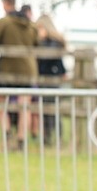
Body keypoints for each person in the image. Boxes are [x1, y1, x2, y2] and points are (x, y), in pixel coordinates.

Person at [0, 0, 39, 147]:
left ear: (5, 4)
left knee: (0, 101)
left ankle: (7, 132)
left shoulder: (4, 22)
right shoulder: (30, 25)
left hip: (9, 70)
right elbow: (38, 42)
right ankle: (21, 139)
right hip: (28, 70)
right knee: (25, 105)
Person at [36, 14, 68, 144]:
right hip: (45, 80)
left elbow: (51, 59)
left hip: (51, 80)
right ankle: (47, 138)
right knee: (45, 111)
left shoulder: (52, 43)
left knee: (52, 111)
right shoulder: (50, 43)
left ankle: (56, 137)